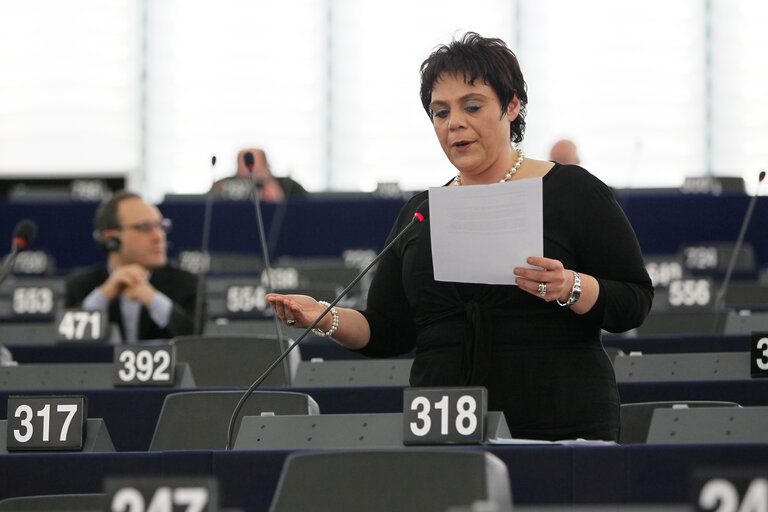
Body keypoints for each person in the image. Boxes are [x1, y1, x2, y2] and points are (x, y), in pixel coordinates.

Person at [266, 33, 653, 441]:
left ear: (512, 105)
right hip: (443, 424)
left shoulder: (572, 191)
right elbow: (385, 330)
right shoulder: (421, 212)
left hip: (559, 419)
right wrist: (324, 317)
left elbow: (634, 301)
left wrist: (570, 286)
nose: (455, 123)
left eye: (472, 106)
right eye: (440, 112)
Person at [65, 191, 201, 342]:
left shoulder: (187, 283)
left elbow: (194, 340)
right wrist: (103, 296)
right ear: (111, 239)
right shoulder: (80, 286)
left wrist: (153, 299)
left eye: (160, 226)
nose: (159, 237)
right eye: (145, 227)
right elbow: (67, 340)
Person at [212, 148, 307, 201]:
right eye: (242, 164)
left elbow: (306, 207)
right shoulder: (222, 184)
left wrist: (279, 198)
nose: (246, 168)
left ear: (266, 165)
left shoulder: (287, 185)